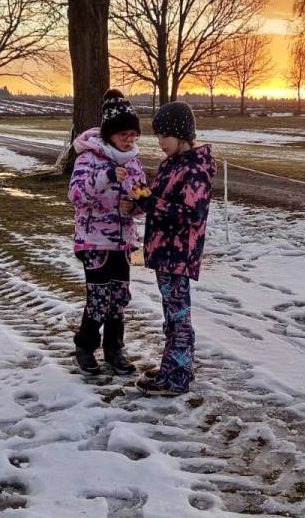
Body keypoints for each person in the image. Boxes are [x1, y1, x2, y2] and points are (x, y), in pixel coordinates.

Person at [124, 101, 215, 396]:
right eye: (158, 136)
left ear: (182, 134)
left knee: (178, 317)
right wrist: (141, 199)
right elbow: (159, 200)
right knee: (171, 314)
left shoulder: (195, 169)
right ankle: (173, 365)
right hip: (163, 251)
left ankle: (177, 377)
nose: (160, 142)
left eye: (165, 135)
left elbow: (192, 214)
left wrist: (151, 202)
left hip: (178, 255)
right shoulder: (170, 165)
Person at [68, 89, 146, 376]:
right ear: (110, 133)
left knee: (119, 298)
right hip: (94, 241)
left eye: (133, 135)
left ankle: (114, 350)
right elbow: (76, 196)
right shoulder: (88, 158)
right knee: (99, 298)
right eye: (124, 134)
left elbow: (141, 196)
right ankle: (85, 347)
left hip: (123, 242)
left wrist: (136, 206)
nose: (130, 140)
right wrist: (106, 178)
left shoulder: (134, 161)